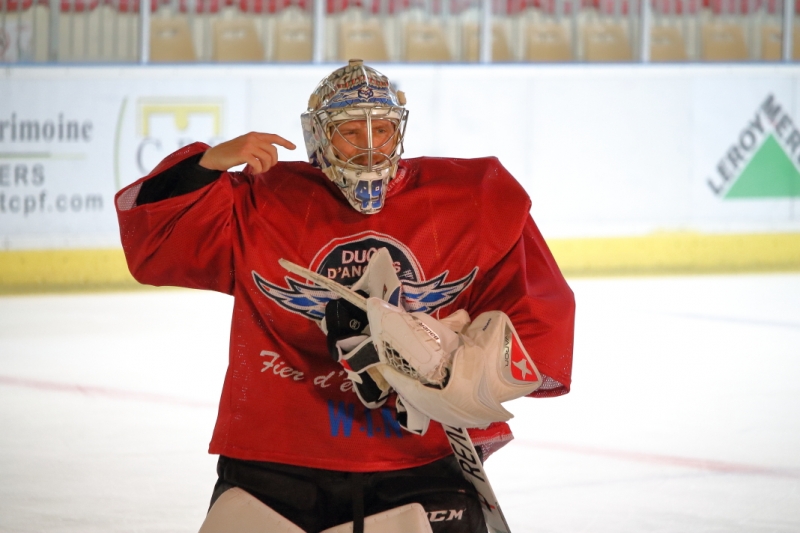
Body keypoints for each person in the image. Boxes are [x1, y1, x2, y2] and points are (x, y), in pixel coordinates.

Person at [114, 60, 575, 533]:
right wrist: (206, 163)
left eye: (383, 130)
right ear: (318, 136)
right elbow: (157, 238)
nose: (370, 146)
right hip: (280, 461)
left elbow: (538, 313)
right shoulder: (260, 200)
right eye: (350, 131)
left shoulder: (469, 198)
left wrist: (472, 370)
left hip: (415, 460)